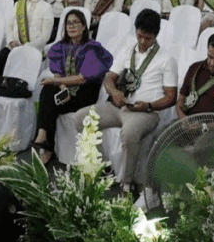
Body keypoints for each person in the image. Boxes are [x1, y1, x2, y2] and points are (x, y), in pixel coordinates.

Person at [73, 10, 178, 195]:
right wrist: (114, 92)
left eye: (148, 37)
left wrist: (149, 106)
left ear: (156, 35)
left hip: (145, 112)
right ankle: (103, 168)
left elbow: (171, 97)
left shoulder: (167, 59)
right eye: (140, 36)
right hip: (118, 106)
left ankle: (127, 183)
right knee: (81, 119)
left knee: (129, 133)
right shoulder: (127, 51)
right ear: (136, 31)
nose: (143, 41)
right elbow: (109, 78)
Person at [30, 10, 113, 164]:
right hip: (67, 91)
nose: (72, 26)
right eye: (68, 23)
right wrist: (62, 88)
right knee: (49, 92)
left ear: (83, 27)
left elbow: (82, 79)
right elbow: (58, 74)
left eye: (76, 23)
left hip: (85, 92)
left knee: (50, 97)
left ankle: (47, 146)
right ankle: (44, 137)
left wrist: (60, 84)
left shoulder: (91, 48)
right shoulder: (60, 47)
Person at [0, 0, 53, 79]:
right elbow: (9, 26)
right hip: (13, 46)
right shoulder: (18, 5)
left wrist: (26, 46)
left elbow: (45, 36)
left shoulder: (46, 7)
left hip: (32, 49)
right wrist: (11, 41)